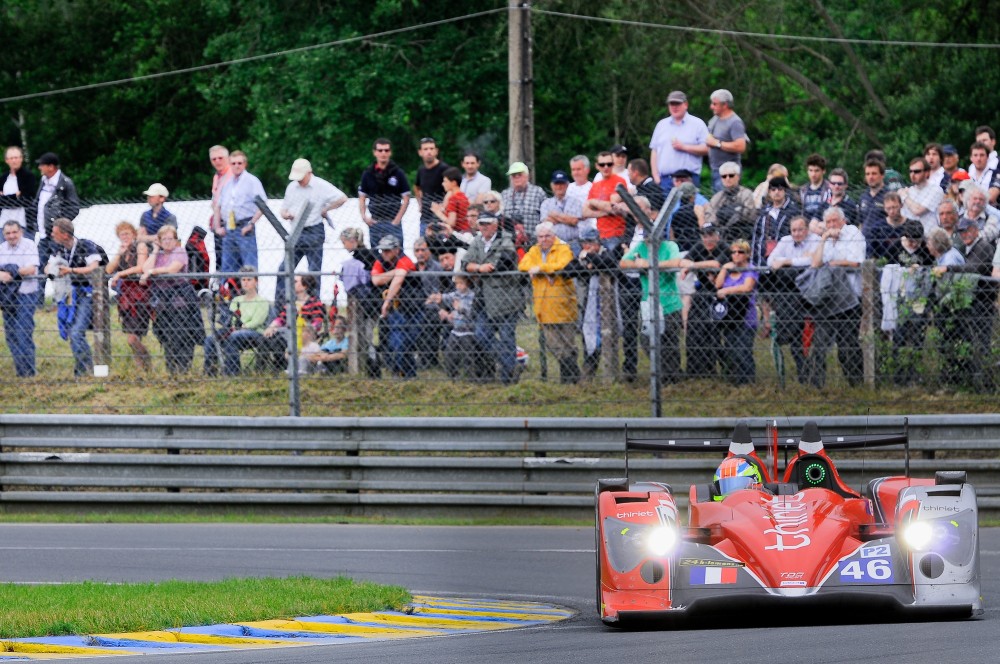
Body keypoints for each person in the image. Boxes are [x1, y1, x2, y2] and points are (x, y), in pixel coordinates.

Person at [620, 215, 687, 383]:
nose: (649, 242)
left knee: (670, 341)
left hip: (669, 303)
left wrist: (650, 264)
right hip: (648, 303)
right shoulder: (640, 247)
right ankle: (661, 372)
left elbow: (676, 262)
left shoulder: (669, 245)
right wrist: (637, 264)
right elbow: (623, 263)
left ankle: (672, 377)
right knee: (646, 339)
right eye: (647, 238)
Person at [807, 206, 865, 388]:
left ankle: (857, 383)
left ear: (843, 221)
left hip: (850, 300)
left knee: (847, 345)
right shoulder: (823, 238)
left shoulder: (853, 233)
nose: (832, 225)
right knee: (820, 344)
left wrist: (832, 264)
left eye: (835, 221)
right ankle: (817, 386)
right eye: (828, 222)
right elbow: (815, 264)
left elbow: (856, 262)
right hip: (828, 300)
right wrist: (824, 239)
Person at [462, 212, 521, 384]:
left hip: (506, 299)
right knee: (481, 335)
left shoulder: (506, 240)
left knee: (507, 336)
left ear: (496, 225)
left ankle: (507, 379)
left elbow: (501, 264)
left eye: (487, 223)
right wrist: (480, 268)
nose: (484, 227)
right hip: (484, 300)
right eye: (481, 224)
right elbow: (465, 264)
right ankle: (510, 363)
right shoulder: (477, 241)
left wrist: (480, 268)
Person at [279, 158, 348, 302]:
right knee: (283, 270)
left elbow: (342, 198)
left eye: (301, 177)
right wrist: (286, 214)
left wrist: (325, 209)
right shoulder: (292, 187)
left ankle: (314, 311)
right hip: (296, 231)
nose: (298, 181)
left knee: (314, 273)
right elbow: (283, 209)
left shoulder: (321, 185)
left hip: (314, 231)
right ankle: (282, 308)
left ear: (309, 173)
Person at [519, 222, 579, 384]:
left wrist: (540, 269)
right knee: (554, 345)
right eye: (540, 237)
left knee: (568, 344)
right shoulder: (534, 250)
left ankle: (570, 380)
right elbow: (523, 264)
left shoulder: (563, 248)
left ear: (554, 236)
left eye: (547, 236)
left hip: (562, 303)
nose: (544, 239)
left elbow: (562, 264)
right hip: (543, 305)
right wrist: (545, 271)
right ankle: (573, 375)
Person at [142, 224, 203, 374]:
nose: (167, 242)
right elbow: (144, 268)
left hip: (180, 300)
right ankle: (171, 370)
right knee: (166, 336)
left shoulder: (180, 251)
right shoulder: (160, 255)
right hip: (163, 301)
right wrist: (155, 250)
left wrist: (152, 272)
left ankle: (183, 369)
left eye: (170, 239)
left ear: (176, 240)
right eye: (164, 239)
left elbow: (173, 269)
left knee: (182, 335)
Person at [764, 216, 819, 383]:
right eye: (794, 230)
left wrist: (787, 261)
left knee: (809, 336)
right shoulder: (785, 241)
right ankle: (803, 372)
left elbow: (813, 261)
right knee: (796, 336)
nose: (797, 233)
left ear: (807, 229)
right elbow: (770, 261)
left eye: (800, 229)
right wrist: (796, 264)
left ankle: (813, 373)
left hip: (810, 291)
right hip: (789, 293)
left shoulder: (815, 240)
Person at [50, 217, 99, 376]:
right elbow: (47, 267)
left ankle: (88, 369)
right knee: (72, 331)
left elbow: (93, 267)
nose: (52, 235)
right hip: (70, 294)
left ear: (65, 234)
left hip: (87, 293)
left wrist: (71, 271)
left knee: (77, 332)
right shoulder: (59, 249)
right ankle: (81, 369)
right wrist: (52, 270)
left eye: (54, 232)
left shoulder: (86, 245)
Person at [679, 223, 729, 379]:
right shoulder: (699, 247)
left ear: (717, 235)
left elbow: (716, 264)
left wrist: (692, 266)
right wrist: (693, 266)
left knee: (714, 335)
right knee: (694, 331)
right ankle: (696, 371)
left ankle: (722, 369)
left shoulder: (724, 247)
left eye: (710, 235)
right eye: (704, 236)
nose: (707, 239)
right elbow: (682, 262)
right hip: (702, 293)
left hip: (721, 294)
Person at [573, 227, 621, 381]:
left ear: (597, 242)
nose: (586, 247)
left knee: (607, 338)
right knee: (588, 338)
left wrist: (591, 259)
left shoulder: (606, 252)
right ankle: (588, 374)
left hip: (607, 305)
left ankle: (610, 372)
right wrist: (585, 265)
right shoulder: (583, 255)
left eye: (589, 243)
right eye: (584, 243)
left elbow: (608, 264)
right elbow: (570, 268)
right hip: (588, 304)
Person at [370, 235, 420, 379]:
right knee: (394, 342)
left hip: (411, 309)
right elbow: (376, 280)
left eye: (387, 250)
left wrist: (387, 301)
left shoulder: (405, 260)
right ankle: (401, 373)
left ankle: (407, 373)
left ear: (397, 250)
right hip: (395, 310)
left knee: (403, 343)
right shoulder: (380, 260)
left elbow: (398, 282)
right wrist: (395, 272)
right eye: (382, 251)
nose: (384, 253)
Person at [106, 221, 151, 371]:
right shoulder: (122, 251)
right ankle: (141, 369)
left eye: (127, 233)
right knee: (131, 336)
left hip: (140, 296)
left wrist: (120, 274)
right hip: (125, 298)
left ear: (133, 233)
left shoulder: (140, 247)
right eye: (121, 234)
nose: (124, 237)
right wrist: (119, 254)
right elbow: (108, 269)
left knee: (133, 338)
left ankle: (146, 359)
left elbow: (141, 267)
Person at [214, 150, 266, 274]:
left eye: (239, 163)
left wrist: (251, 224)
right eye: (233, 163)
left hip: (244, 227)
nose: (236, 166)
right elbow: (218, 206)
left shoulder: (252, 181)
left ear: (245, 164)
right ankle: (226, 293)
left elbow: (263, 205)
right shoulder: (227, 184)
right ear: (230, 165)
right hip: (229, 228)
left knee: (249, 266)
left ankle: (252, 293)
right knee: (227, 266)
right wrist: (217, 226)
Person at [714, 238, 758, 385]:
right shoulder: (729, 270)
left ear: (747, 254)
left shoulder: (750, 270)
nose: (737, 255)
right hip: (729, 316)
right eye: (733, 252)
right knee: (731, 349)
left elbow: (747, 288)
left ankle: (748, 381)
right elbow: (718, 284)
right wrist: (725, 268)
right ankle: (733, 380)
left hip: (745, 317)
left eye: (741, 252)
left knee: (743, 350)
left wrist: (727, 290)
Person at [648, 90, 708, 194]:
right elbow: (654, 151)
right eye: (671, 104)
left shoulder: (698, 124)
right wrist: (656, 176)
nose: (674, 107)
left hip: (688, 179)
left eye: (677, 104)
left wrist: (684, 147)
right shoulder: (661, 125)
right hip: (665, 180)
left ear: (686, 104)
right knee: (666, 210)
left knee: (687, 210)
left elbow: (707, 149)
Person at [0, 220, 39, 376]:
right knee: (11, 335)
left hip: (26, 294)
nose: (11, 236)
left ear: (20, 231)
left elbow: (31, 269)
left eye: (14, 232)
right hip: (7, 296)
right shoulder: (1, 248)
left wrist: (12, 272)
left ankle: (29, 372)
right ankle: (20, 371)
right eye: (8, 233)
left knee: (23, 331)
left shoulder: (29, 245)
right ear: (3, 234)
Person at [358, 138, 411, 249]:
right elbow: (362, 197)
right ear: (375, 152)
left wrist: (397, 219)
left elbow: (406, 197)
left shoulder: (398, 173)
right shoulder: (368, 173)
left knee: (397, 253)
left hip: (393, 221)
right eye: (380, 150)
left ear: (390, 152)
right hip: (375, 222)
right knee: (376, 256)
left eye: (386, 150)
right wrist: (364, 217)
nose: (383, 153)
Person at [32, 152, 80, 269]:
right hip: (43, 234)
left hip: (58, 236)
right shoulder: (43, 180)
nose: (39, 168)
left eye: (42, 165)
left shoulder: (66, 183)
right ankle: (40, 288)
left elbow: (74, 208)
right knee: (39, 267)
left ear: (51, 167)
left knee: (58, 268)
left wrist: (59, 225)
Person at [428, 274, 479, 380]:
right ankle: (453, 375)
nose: (458, 286)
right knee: (450, 353)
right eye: (456, 284)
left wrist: (459, 308)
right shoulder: (455, 294)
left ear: (468, 283)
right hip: (455, 330)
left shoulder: (472, 296)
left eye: (461, 283)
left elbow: (471, 313)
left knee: (468, 355)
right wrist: (437, 297)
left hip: (468, 331)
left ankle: (471, 377)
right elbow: (445, 297)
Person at [582, 152, 629, 253]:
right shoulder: (595, 185)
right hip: (599, 235)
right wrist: (605, 211)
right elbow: (585, 212)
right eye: (602, 165)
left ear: (613, 164)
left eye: (609, 164)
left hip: (616, 233)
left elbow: (613, 207)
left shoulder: (619, 181)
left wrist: (593, 202)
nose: (606, 167)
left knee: (612, 264)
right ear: (597, 166)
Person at [750, 176, 800, 268]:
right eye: (773, 189)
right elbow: (756, 237)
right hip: (764, 256)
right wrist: (754, 262)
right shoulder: (764, 212)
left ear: (785, 191)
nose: (777, 192)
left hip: (786, 258)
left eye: (780, 189)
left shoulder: (794, 211)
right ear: (769, 192)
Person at [705, 89, 748, 193]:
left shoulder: (735, 122)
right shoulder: (714, 119)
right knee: (717, 205)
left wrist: (717, 143)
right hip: (715, 170)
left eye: (715, 104)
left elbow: (741, 146)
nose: (711, 107)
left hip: (728, 173)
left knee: (726, 206)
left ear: (725, 105)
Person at [704, 162, 757, 243]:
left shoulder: (746, 193)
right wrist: (734, 211)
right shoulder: (717, 197)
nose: (727, 178)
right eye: (724, 176)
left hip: (742, 234)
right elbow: (709, 215)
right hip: (721, 235)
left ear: (738, 177)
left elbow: (748, 214)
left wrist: (723, 215)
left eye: (731, 175)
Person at [539, 170, 585, 254]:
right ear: (552, 185)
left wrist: (554, 215)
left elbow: (574, 221)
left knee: (575, 266)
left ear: (567, 185)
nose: (559, 187)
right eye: (557, 184)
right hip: (553, 244)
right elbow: (546, 223)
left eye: (562, 184)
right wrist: (566, 218)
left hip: (573, 243)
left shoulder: (576, 202)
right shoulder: (546, 203)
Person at [501, 161, 546, 243]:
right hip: (510, 242)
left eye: (519, 175)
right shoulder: (505, 194)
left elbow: (545, 217)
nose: (517, 178)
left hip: (534, 240)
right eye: (514, 176)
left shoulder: (538, 192)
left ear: (527, 176)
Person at [900, 156, 944, 235]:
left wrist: (904, 197)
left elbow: (918, 211)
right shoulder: (908, 191)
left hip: (930, 236)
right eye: (910, 171)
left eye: (917, 171)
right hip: (911, 237)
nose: (913, 174)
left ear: (927, 173)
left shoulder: (936, 190)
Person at [207, 144, 233, 272]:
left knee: (232, 260)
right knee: (220, 260)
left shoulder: (233, 175)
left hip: (231, 222)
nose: (217, 161)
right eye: (214, 159)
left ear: (227, 158)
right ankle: (222, 289)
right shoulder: (217, 177)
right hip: (219, 222)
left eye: (220, 158)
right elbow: (215, 201)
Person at [0, 146, 37, 234]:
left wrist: (5, 198)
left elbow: (27, 200)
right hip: (3, 224)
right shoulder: (3, 178)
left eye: (16, 157)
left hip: (23, 225)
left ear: (21, 159)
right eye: (11, 158)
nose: (14, 160)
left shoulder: (28, 177)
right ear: (6, 160)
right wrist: (15, 196)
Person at [430, 167, 470, 234]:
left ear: (454, 183)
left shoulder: (453, 199)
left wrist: (438, 212)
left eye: (445, 181)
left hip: (458, 233)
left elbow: (451, 223)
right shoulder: (463, 196)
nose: (443, 184)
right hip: (465, 231)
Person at [799, 154, 831, 225]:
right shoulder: (803, 190)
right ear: (807, 171)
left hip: (823, 225)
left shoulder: (829, 188)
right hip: (805, 227)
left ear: (823, 171)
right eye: (811, 170)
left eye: (816, 171)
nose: (813, 174)